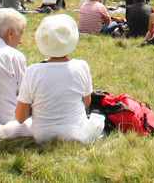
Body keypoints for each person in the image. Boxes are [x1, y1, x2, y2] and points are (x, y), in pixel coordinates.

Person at [13, 14, 96, 143]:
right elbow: (86, 104)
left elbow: (20, 117)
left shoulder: (33, 71)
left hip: (41, 135)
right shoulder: (81, 67)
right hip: (77, 131)